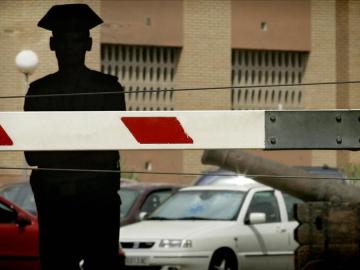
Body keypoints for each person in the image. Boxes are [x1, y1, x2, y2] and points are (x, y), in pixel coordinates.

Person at [23, 4, 126, 270]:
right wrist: (87, 147)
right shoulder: (107, 89)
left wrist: (57, 149)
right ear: (53, 44)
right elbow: (32, 154)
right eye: (65, 41)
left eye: (75, 40)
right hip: (77, 199)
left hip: (77, 199)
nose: (70, 48)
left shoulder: (40, 91)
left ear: (88, 44)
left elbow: (112, 145)